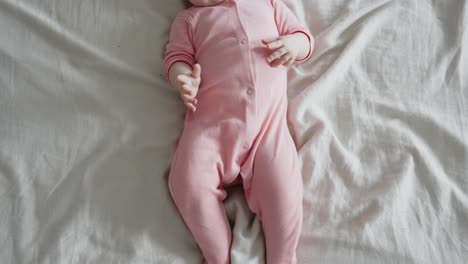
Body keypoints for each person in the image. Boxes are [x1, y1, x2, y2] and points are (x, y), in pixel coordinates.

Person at [163, 0, 314, 263]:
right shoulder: (189, 20)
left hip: (268, 132)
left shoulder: (267, 4)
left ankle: (282, 258)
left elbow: (303, 38)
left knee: (285, 193)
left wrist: (294, 45)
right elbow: (176, 57)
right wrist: (183, 78)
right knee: (186, 182)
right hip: (211, 130)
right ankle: (217, 254)